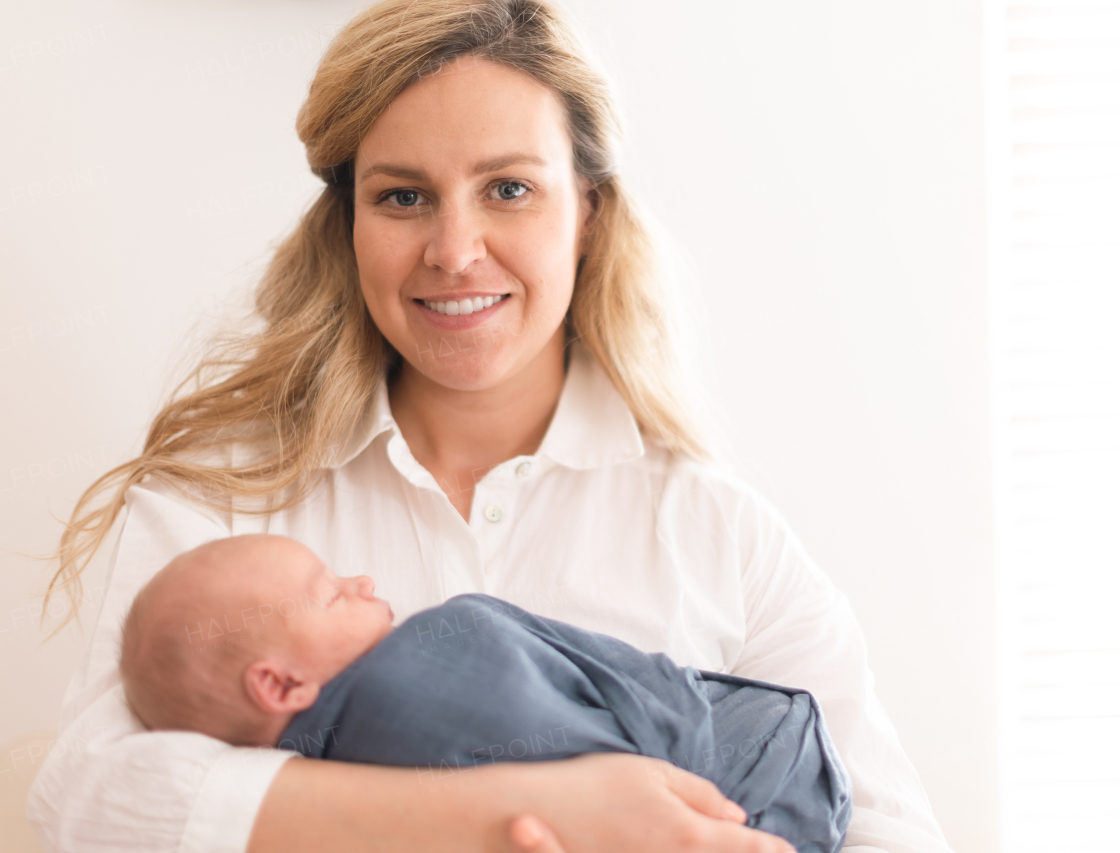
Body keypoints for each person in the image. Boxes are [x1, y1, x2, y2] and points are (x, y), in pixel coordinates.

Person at [27, 1, 955, 851]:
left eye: (509, 189)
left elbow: (888, 830)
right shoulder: (216, 497)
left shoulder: (720, 534)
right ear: (348, 221)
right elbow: (91, 801)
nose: (455, 250)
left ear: (588, 212)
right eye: (402, 195)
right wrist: (543, 811)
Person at [117, 534, 853, 853]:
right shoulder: (428, 658)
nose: (364, 583)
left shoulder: (329, 787)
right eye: (333, 593)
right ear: (280, 681)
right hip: (760, 772)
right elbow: (93, 793)